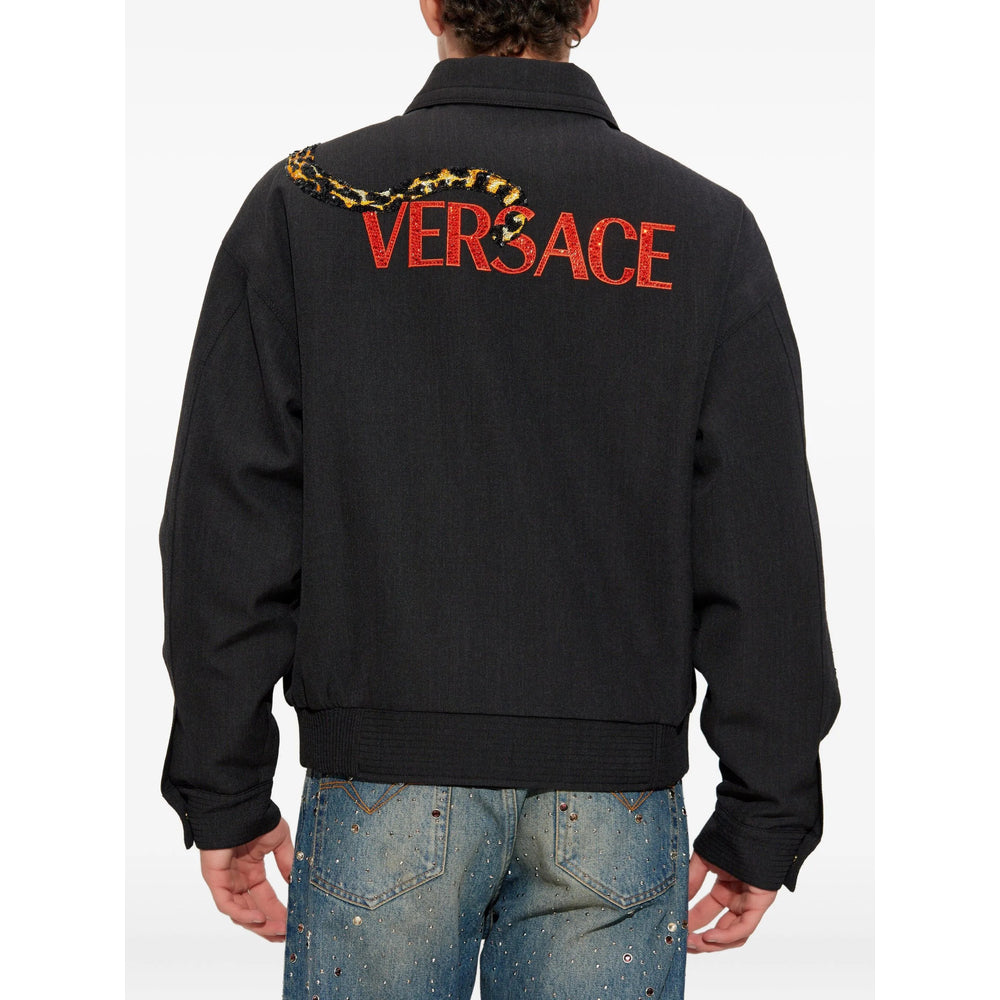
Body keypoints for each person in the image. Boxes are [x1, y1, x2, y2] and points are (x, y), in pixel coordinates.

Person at [158, 1, 840, 996]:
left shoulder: (313, 201)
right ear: (588, 11)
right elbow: (760, 538)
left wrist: (222, 784)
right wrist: (766, 810)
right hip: (612, 795)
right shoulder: (701, 227)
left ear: (433, 6)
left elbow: (230, 515)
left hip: (382, 783)